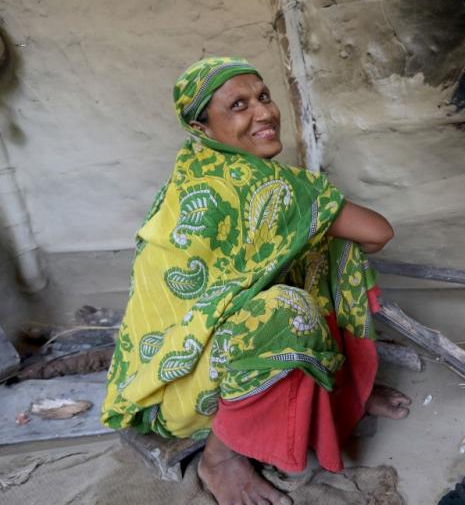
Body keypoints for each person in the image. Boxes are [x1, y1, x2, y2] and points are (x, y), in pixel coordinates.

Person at [101, 57, 411, 505]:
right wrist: (312, 218)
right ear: (201, 127)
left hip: (156, 377)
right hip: (186, 392)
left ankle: (337, 394)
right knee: (291, 305)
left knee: (320, 246)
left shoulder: (194, 170)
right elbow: (379, 232)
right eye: (239, 105)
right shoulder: (268, 186)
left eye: (263, 97)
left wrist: (308, 233)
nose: (264, 112)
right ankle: (221, 458)